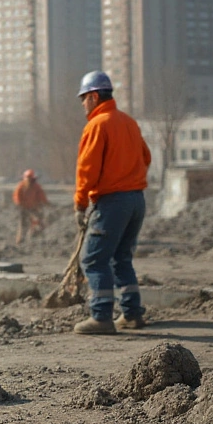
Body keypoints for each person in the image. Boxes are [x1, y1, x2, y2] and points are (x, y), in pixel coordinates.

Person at [72, 70, 152, 335]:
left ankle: (101, 316)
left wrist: (80, 203)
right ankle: (131, 314)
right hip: (136, 200)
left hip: (112, 202)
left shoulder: (97, 125)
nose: (83, 104)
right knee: (121, 258)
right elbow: (146, 157)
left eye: (84, 98)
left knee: (94, 260)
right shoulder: (128, 122)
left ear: (94, 96)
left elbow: (88, 169)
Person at [13, 169, 49, 245]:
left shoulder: (36, 187)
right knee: (23, 224)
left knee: (40, 221)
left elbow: (41, 196)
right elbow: (17, 196)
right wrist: (19, 204)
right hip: (24, 208)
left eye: (31, 179)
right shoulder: (21, 186)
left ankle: (37, 236)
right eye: (28, 179)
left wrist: (45, 203)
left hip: (34, 207)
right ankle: (20, 240)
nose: (29, 181)